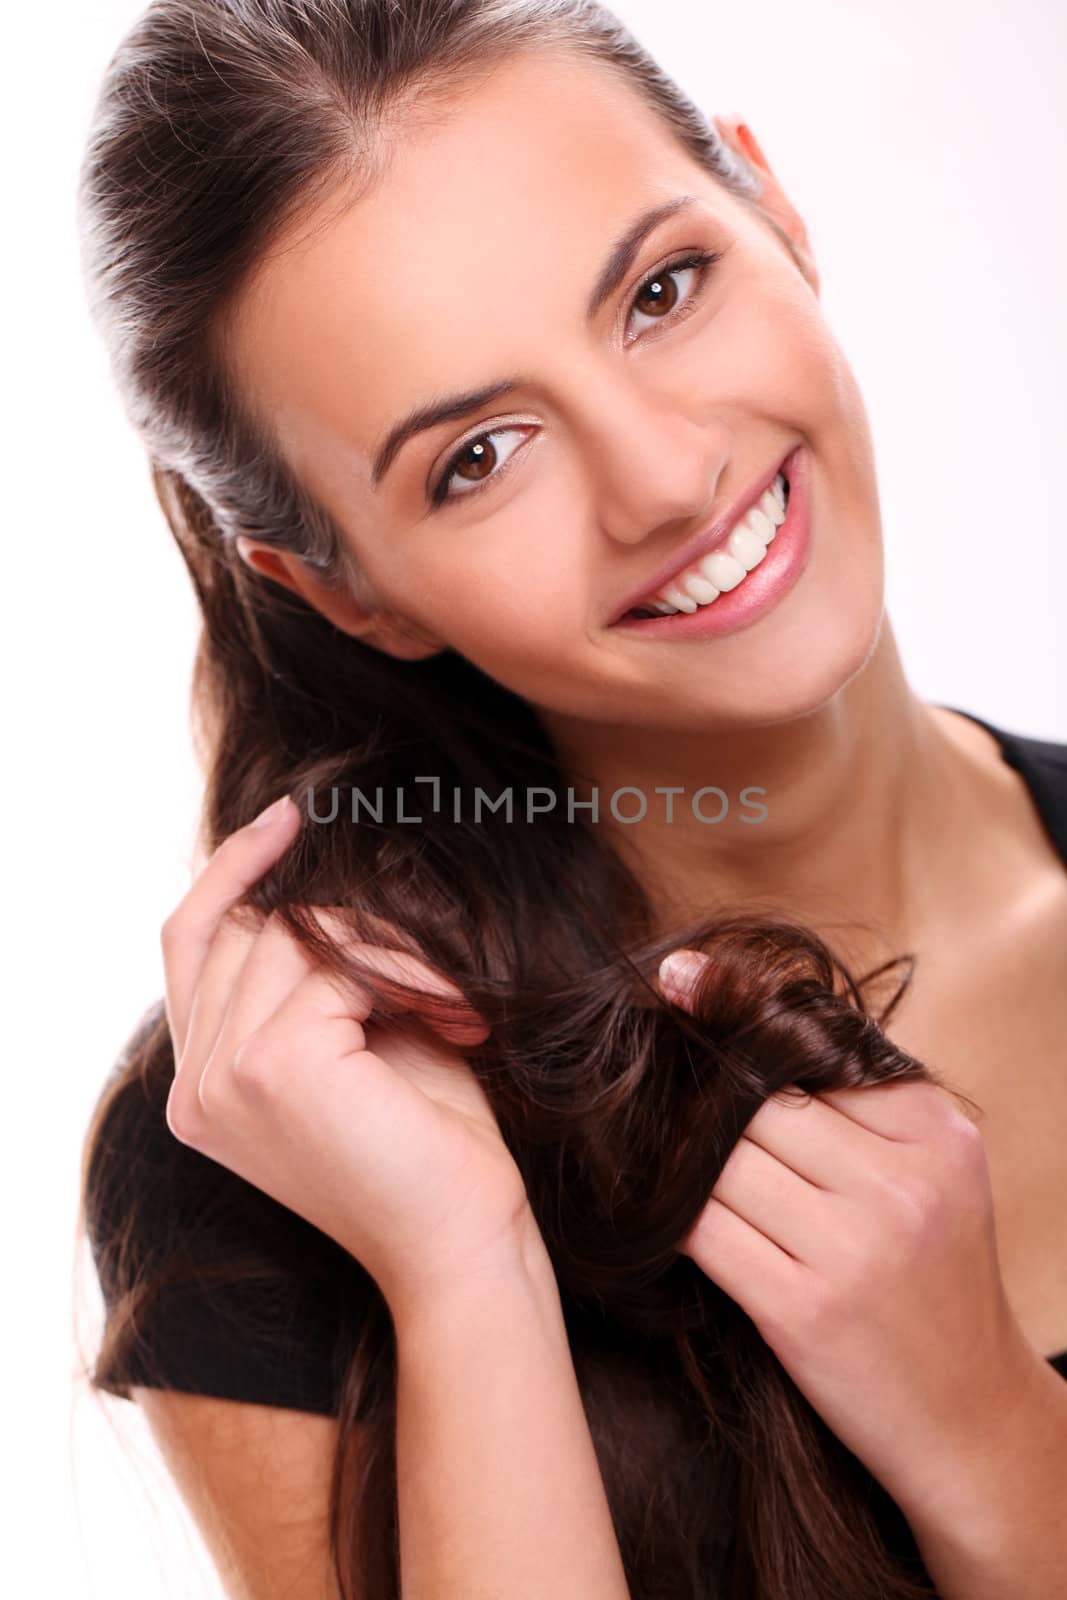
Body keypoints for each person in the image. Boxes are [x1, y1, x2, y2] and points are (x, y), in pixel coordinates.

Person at [75, 2, 1067, 1597]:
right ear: (348, 593)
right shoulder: (268, 1140)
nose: (667, 478)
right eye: (479, 455)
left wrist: (996, 1442)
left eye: (664, 290)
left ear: (773, 208)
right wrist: (464, 1269)